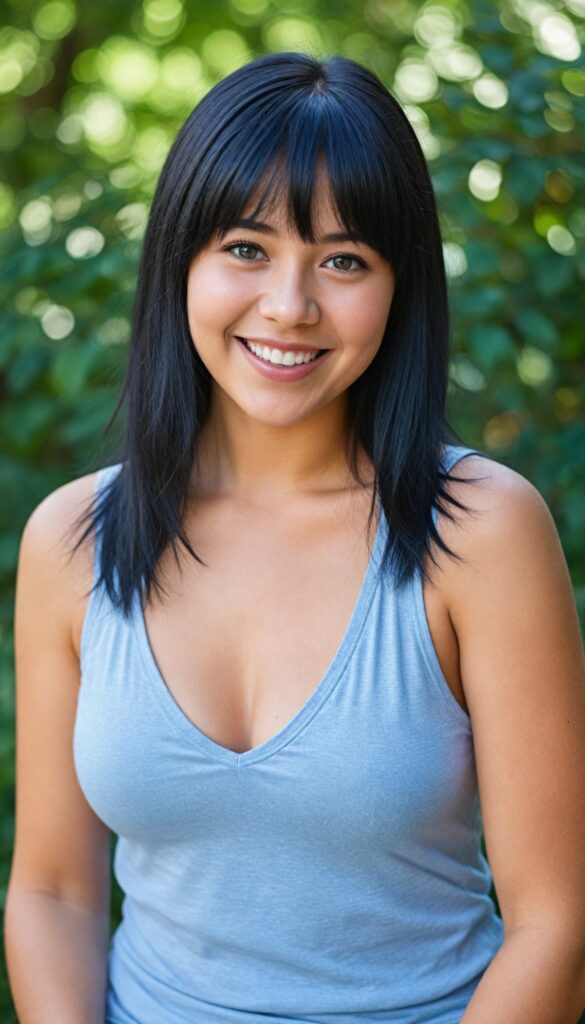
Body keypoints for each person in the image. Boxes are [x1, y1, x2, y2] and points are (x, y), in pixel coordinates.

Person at [5, 50, 585, 1024]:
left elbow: (557, 925)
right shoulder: (74, 539)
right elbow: (52, 888)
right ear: (179, 258)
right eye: (246, 247)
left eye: (344, 259)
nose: (290, 305)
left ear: (401, 286)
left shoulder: (482, 531)